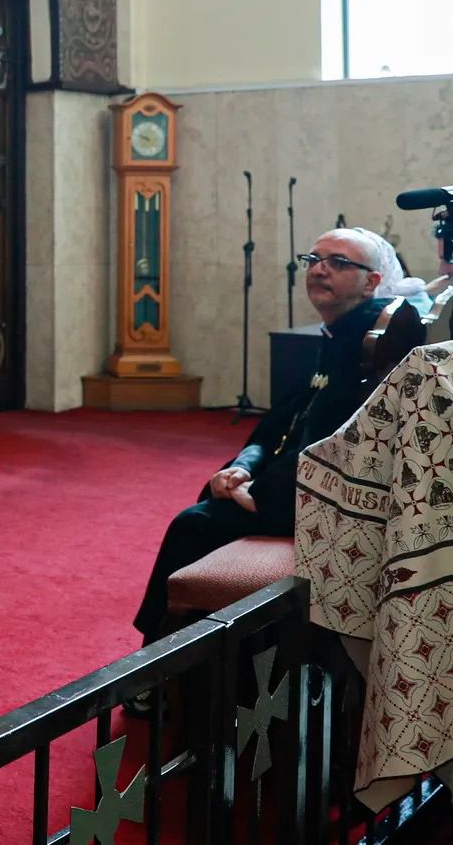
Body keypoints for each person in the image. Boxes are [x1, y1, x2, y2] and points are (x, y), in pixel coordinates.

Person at [132, 228, 397, 646]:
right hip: (278, 482)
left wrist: (257, 490)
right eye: (313, 260)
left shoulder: (367, 346)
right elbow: (281, 422)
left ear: (372, 282)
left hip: (319, 501)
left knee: (192, 525)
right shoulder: (339, 334)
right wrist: (241, 466)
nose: (319, 269)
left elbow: (335, 444)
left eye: (339, 262)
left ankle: (153, 668)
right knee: (202, 512)